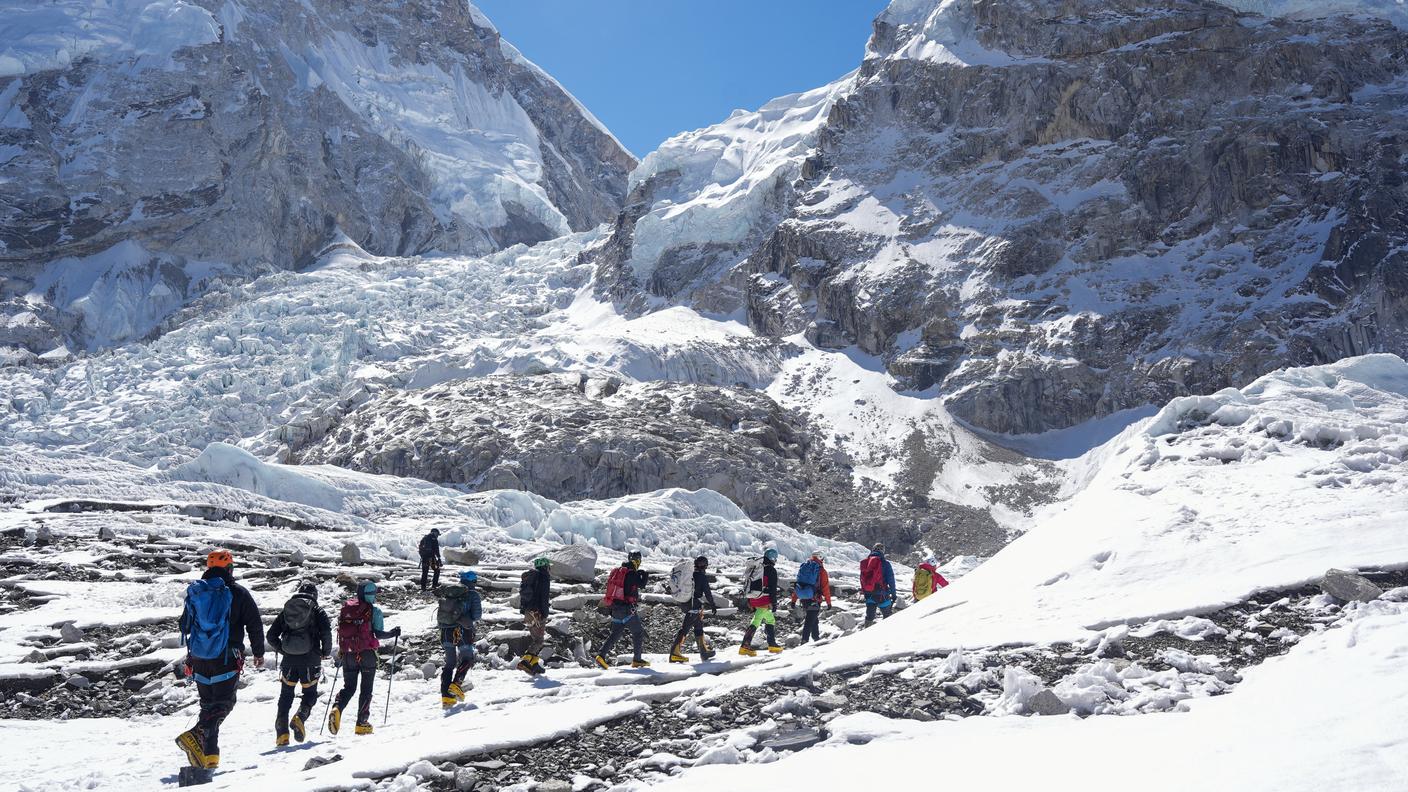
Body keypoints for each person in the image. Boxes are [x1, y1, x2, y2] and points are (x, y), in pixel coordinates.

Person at [175, 550, 266, 772]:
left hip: (199, 658)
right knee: (224, 703)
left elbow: (184, 625)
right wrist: (258, 652)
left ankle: (209, 757)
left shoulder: (197, 592)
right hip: (226, 657)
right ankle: (198, 733)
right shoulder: (238, 593)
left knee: (208, 705)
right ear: (229, 569)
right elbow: (254, 624)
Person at [329, 580, 400, 736]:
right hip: (367, 654)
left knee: (349, 687)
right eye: (373, 593)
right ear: (369, 594)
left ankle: (337, 707)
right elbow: (379, 634)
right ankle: (362, 723)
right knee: (366, 689)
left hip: (348, 654)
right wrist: (393, 633)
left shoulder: (347, 609)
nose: (375, 596)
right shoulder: (374, 611)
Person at [266, 581, 332, 746]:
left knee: (285, 695)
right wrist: (325, 652)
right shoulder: (317, 610)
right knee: (310, 694)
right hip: (310, 660)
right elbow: (326, 633)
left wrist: (284, 650)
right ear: (315, 595)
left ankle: (282, 734)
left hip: (289, 660)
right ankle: (299, 718)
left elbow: (271, 636)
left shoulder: (287, 611)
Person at [593, 550, 650, 669]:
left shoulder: (619, 572)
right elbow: (642, 584)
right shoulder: (632, 573)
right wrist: (645, 574)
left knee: (615, 634)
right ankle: (637, 660)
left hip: (615, 609)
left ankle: (601, 655)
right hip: (627, 610)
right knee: (638, 633)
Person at [437, 570, 483, 708]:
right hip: (462, 631)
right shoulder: (472, 594)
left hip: (445, 631)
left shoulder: (450, 592)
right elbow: (477, 615)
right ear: (473, 581)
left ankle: (446, 697)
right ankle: (456, 684)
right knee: (467, 659)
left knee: (449, 664)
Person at [669, 556, 718, 663]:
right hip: (694, 606)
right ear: (705, 566)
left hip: (688, 604)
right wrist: (713, 605)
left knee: (698, 627)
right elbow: (707, 593)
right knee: (685, 629)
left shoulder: (691, 575)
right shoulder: (702, 577)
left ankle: (703, 651)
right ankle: (674, 653)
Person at [739, 548, 783, 656]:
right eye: (775, 558)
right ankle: (744, 646)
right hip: (764, 600)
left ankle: (772, 644)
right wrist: (774, 603)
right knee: (756, 621)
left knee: (770, 619)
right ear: (772, 558)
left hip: (754, 598)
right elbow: (772, 589)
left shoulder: (758, 569)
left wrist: (749, 600)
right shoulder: (771, 570)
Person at [518, 557, 552, 675]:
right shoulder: (544, 576)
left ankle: (534, 664)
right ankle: (525, 661)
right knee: (539, 640)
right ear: (545, 566)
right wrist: (544, 612)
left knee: (536, 639)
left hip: (528, 612)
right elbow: (544, 597)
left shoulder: (530, 577)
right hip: (537, 613)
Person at [790, 550, 832, 644]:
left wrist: (793, 600)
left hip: (804, 598)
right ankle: (804, 640)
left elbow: (799, 584)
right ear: (820, 558)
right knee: (810, 619)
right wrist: (828, 602)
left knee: (813, 618)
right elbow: (825, 588)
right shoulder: (821, 571)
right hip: (814, 599)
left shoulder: (804, 567)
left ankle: (816, 637)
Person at [860, 543, 897, 627]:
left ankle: (866, 631)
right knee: (887, 616)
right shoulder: (885, 564)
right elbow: (891, 581)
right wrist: (893, 594)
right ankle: (888, 632)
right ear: (883, 551)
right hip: (882, 594)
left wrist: (865, 592)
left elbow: (862, 579)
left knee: (869, 617)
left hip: (869, 593)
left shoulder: (865, 563)